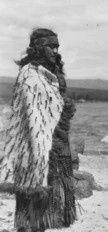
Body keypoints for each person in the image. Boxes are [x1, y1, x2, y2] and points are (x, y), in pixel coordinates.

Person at [0, 28, 77, 232]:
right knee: (32, 204)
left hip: (57, 143)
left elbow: (53, 102)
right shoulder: (28, 74)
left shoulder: (53, 72)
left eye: (57, 46)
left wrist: (63, 105)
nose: (55, 50)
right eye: (51, 46)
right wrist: (62, 105)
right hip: (35, 145)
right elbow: (31, 113)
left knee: (50, 208)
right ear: (38, 47)